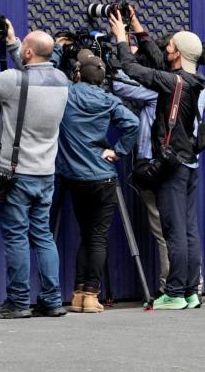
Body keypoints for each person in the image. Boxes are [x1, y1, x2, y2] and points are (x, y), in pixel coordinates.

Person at [0, 23, 70, 319]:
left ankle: (19, 301)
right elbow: (31, 74)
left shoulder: (13, 80)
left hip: (15, 175)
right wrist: (14, 46)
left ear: (27, 52)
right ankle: (52, 300)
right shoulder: (62, 81)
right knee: (43, 237)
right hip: (45, 174)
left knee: (16, 238)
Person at [109, 10, 205, 310]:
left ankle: (175, 292)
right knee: (188, 231)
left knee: (174, 230)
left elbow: (132, 69)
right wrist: (139, 30)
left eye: (170, 45)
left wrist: (121, 40)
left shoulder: (171, 82)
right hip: (188, 163)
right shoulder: (190, 81)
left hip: (171, 166)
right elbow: (157, 60)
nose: (166, 48)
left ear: (177, 53)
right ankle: (190, 290)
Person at [50, 50, 139, 313]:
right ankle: (90, 295)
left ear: (78, 74)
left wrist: (57, 49)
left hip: (74, 178)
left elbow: (50, 72)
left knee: (85, 235)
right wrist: (118, 150)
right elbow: (132, 124)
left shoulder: (67, 92)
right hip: (103, 177)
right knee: (97, 237)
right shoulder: (109, 100)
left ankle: (78, 294)